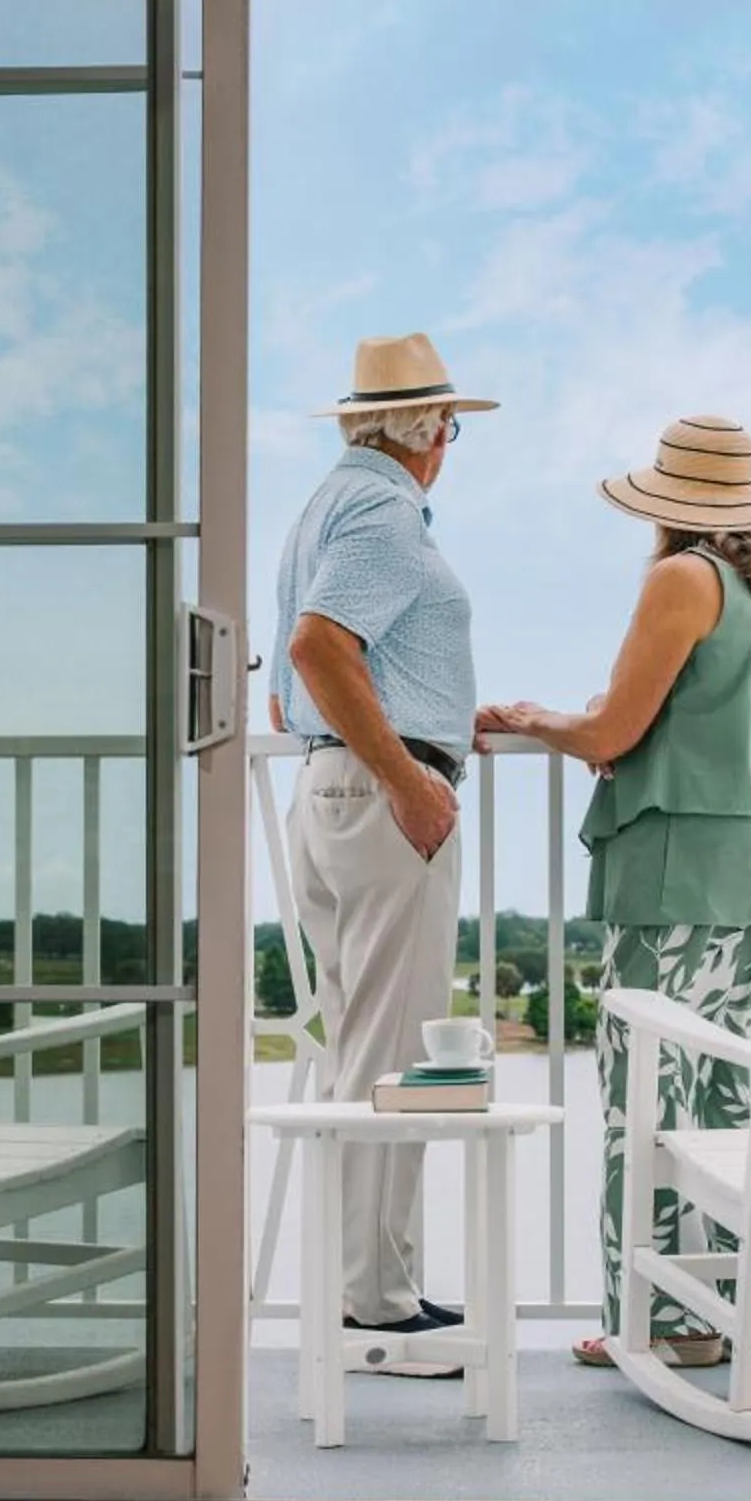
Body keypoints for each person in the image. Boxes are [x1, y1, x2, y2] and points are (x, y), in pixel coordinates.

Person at [478, 415, 751, 1371]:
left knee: (643, 1105)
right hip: (737, 864)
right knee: (720, 1103)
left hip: (666, 873)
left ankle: (647, 1325)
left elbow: (614, 730)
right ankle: (726, 1312)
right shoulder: (750, 589)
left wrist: (535, 718)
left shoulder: (679, 578)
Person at [268, 333, 498, 1368]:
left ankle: (381, 1280)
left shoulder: (322, 506)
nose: (453, 442)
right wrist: (412, 776)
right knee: (390, 1052)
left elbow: (289, 678)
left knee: (370, 1042)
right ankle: (372, 1297)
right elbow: (320, 648)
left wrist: (439, 708)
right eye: (452, 425)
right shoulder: (386, 511)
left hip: (335, 791)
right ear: (430, 431)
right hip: (381, 797)